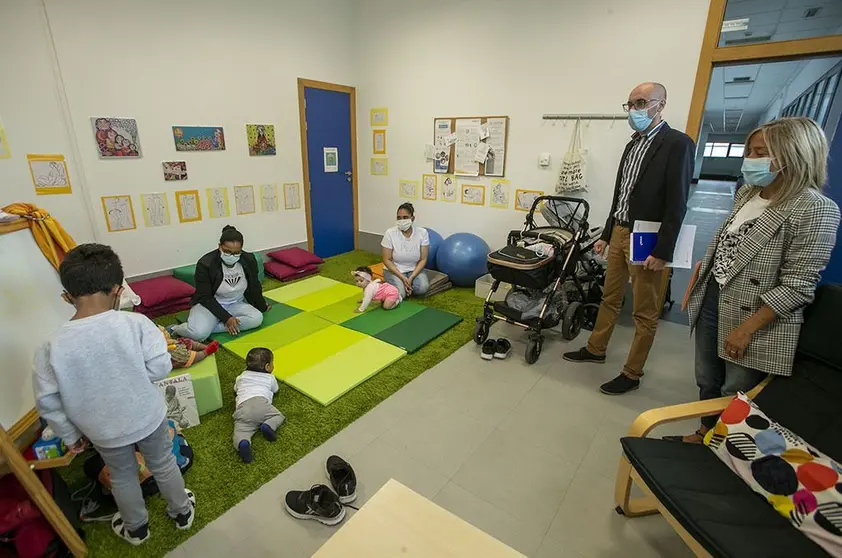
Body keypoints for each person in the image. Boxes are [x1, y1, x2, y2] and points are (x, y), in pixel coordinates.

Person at [667, 117, 840, 443]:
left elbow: (799, 283)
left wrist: (747, 329)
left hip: (757, 315)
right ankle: (705, 432)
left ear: (794, 155)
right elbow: (732, 244)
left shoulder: (814, 209)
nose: (750, 159)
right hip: (716, 295)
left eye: (761, 152)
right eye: (750, 151)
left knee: (738, 387)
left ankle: (727, 448)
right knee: (707, 376)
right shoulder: (748, 193)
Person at [32, 244, 195, 546]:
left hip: (102, 430)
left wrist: (69, 435)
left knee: (121, 476)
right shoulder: (137, 324)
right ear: (119, 291)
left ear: (67, 297)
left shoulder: (51, 346)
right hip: (147, 416)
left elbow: (48, 401)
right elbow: (160, 368)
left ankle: (137, 528)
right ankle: (182, 512)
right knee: (162, 463)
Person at [563, 82, 695, 395]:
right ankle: (596, 349)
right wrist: (608, 234)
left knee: (645, 310)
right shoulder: (632, 143)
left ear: (660, 104)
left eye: (641, 102)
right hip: (621, 231)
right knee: (610, 297)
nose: (634, 110)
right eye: (630, 104)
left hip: (648, 236)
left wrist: (663, 250)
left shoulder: (677, 144)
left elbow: (677, 202)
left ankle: (632, 372)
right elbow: (621, 195)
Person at [170, 225, 267, 341]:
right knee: (198, 335)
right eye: (227, 251)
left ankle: (207, 328)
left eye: (236, 253)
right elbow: (205, 297)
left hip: (235, 304)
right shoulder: (206, 263)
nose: (231, 256)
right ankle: (175, 329)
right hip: (208, 305)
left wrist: (262, 306)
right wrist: (227, 318)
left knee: (257, 318)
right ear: (219, 247)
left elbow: (254, 286)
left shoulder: (249, 260)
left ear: (241, 250)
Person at [232, 348, 285, 463]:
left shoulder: (241, 377)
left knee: (241, 430)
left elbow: (236, 389)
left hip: (243, 408)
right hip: (262, 404)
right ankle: (268, 425)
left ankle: (243, 442)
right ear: (267, 367)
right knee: (278, 416)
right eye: (272, 363)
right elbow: (276, 390)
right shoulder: (270, 378)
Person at [381, 202, 430, 298]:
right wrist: (403, 278)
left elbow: (423, 259)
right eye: (399, 218)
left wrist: (411, 278)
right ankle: (395, 286)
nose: (401, 220)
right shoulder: (390, 233)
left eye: (405, 217)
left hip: (414, 270)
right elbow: (386, 260)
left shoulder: (422, 233)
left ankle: (407, 283)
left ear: (412, 218)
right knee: (400, 294)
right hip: (395, 270)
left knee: (422, 288)